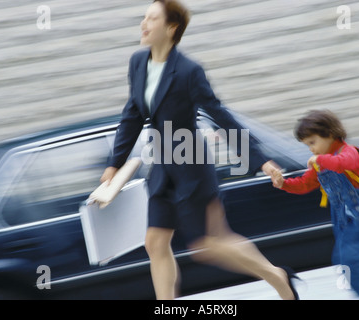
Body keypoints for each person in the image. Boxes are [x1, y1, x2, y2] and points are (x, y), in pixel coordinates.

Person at [100, 0, 299, 300]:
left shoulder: (189, 71)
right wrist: (115, 164)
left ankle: (276, 275)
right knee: (155, 242)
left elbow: (218, 114)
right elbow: (132, 114)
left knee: (209, 245)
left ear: (171, 27)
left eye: (152, 18)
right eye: (144, 17)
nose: (143, 24)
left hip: (192, 167)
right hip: (162, 167)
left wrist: (259, 160)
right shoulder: (138, 63)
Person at [269, 109, 359, 300]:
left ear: (329, 134)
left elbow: (343, 164)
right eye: (308, 146)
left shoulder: (348, 152)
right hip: (341, 218)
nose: (311, 150)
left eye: (312, 143)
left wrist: (319, 159)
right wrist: (283, 184)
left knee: (352, 258)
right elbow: (305, 184)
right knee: (343, 259)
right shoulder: (320, 162)